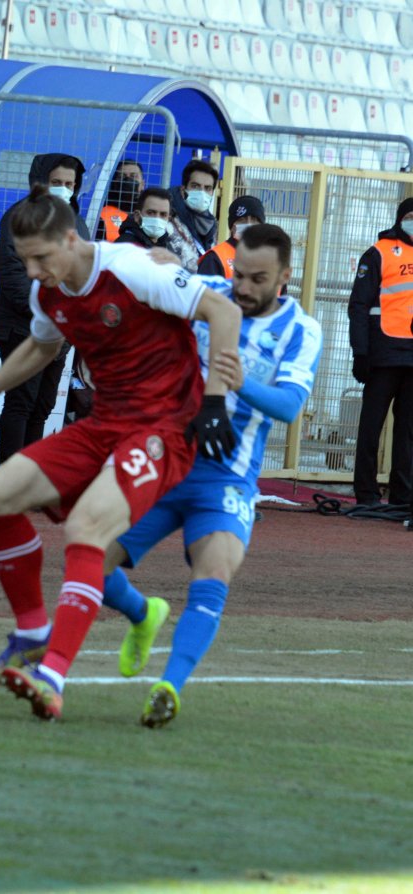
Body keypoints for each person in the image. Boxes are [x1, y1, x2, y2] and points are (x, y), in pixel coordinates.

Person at [0, 185, 241, 721]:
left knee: (85, 530)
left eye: (42, 257)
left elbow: (222, 312)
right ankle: (32, 631)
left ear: (71, 239)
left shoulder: (132, 269)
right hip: (105, 424)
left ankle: (52, 676)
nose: (34, 270)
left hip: (165, 428)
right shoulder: (47, 295)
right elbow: (44, 346)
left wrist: (214, 404)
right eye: (25, 260)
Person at [101, 224, 323, 728]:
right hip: (163, 462)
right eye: (238, 274)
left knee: (214, 573)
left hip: (226, 478)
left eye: (258, 278)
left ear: (285, 276)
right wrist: (149, 257)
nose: (242, 287)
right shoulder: (208, 298)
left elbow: (289, 406)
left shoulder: (301, 330)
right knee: (89, 562)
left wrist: (240, 385)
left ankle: (168, 687)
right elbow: (153, 275)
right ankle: (142, 615)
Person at [0, 152, 86, 464]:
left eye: (69, 183)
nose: (63, 188)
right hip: (22, 328)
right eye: (56, 182)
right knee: (21, 401)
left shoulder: (77, 224)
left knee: (43, 405)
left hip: (60, 334)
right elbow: (11, 273)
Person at [348, 197, 413, 508]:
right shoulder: (378, 252)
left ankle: (403, 496)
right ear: (400, 218)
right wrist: (360, 353)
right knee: (371, 427)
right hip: (383, 354)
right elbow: (359, 305)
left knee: (408, 432)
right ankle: (367, 495)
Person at [167, 159, 219, 272]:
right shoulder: (167, 218)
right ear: (183, 190)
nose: (202, 192)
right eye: (195, 186)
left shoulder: (212, 225)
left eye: (208, 188)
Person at [197, 195, 265, 279]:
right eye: (242, 219)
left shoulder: (271, 260)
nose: (249, 224)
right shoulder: (215, 258)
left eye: (254, 220)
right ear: (232, 226)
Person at [95, 159, 144, 242]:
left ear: (142, 184)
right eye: (122, 177)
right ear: (115, 182)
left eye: (133, 176)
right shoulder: (101, 213)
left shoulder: (149, 214)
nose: (128, 180)